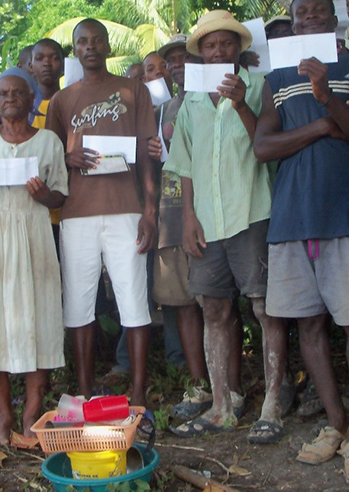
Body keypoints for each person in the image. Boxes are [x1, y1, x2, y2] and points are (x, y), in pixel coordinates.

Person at [254, 0, 349, 486]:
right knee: (307, 326)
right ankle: (334, 425)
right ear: (290, 24)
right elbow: (263, 146)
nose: (309, 19)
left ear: (335, 19)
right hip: (293, 219)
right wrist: (318, 129)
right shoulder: (275, 78)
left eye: (318, 12)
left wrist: (328, 97)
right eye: (300, 14)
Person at [165, 10, 286, 443]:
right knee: (213, 309)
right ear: (202, 53)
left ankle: (272, 403)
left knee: (263, 308)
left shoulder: (258, 87)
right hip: (207, 221)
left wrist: (239, 103)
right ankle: (220, 406)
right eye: (210, 45)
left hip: (251, 211)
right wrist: (187, 217)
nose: (219, 51)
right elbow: (184, 164)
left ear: (239, 48)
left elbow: (264, 146)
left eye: (227, 43)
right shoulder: (192, 100)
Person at [46, 18, 157, 407]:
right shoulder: (62, 100)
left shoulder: (133, 90)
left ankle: (139, 393)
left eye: (97, 41)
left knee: (134, 301)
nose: (90, 47)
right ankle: (84, 392)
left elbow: (145, 152)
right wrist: (66, 156)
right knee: (78, 304)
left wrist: (150, 210)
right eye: (82, 42)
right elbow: (49, 158)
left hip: (126, 210)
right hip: (77, 214)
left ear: (108, 47)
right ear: (74, 50)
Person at [0, 67, 67, 443]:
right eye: (2, 93)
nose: (9, 99)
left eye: (17, 93)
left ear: (31, 98)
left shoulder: (49, 141)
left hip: (32, 232)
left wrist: (43, 196)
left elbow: (60, 196)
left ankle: (32, 413)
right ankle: (4, 416)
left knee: (36, 317)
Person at [147, 35, 214, 420]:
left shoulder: (212, 99)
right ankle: (199, 383)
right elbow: (150, 168)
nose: (176, 65)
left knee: (218, 303)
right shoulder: (162, 110)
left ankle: (228, 382)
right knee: (185, 305)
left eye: (183, 58)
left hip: (212, 215)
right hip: (172, 217)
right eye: (171, 61)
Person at [30, 38, 65, 130]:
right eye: (39, 58)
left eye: (54, 58)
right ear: (31, 66)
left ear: (63, 64)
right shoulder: (24, 107)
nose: (47, 63)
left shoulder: (71, 102)